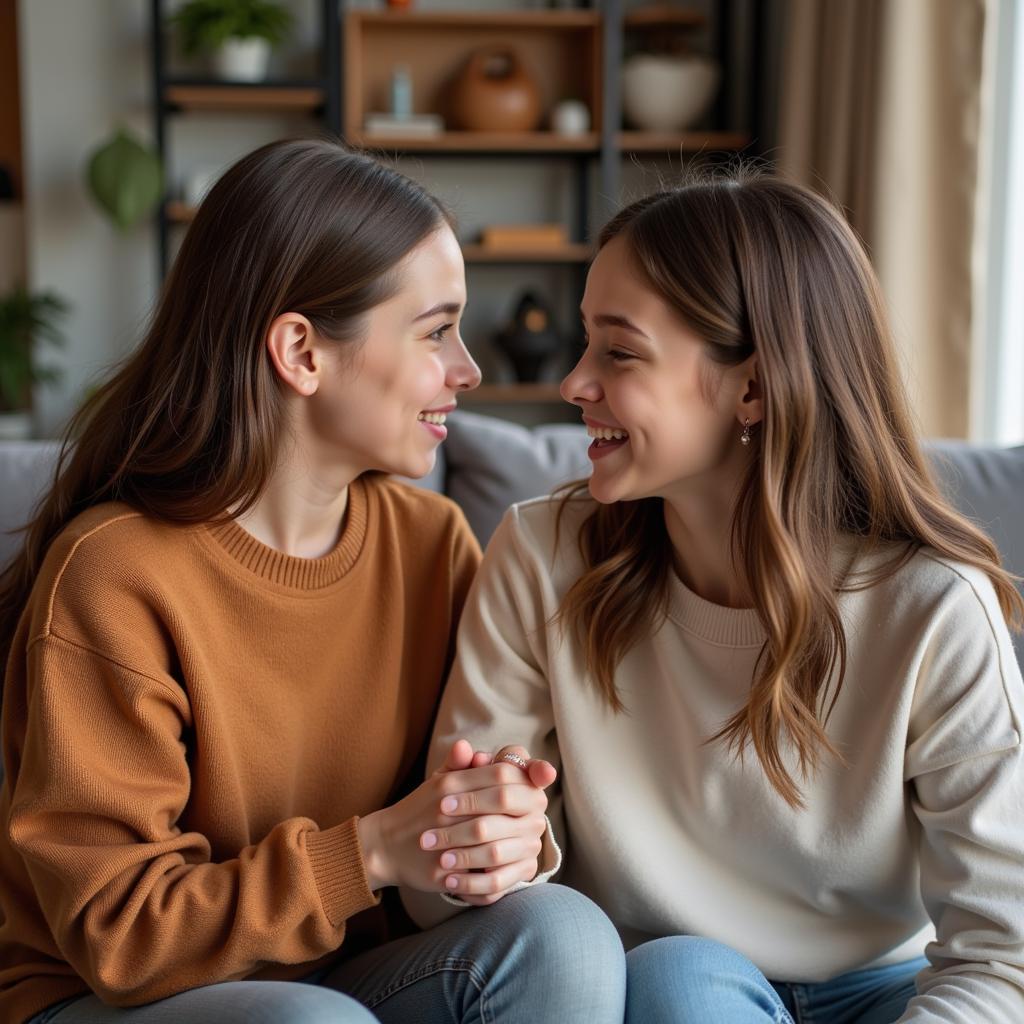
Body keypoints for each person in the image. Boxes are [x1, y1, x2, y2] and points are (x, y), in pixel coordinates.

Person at [0, 139, 626, 1024]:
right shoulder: (115, 575)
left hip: (340, 981)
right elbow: (121, 939)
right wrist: (367, 852)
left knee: (563, 936)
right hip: (103, 999)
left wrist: (491, 830)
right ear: (301, 351)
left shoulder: (433, 543)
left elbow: (431, 862)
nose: (469, 370)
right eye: (436, 330)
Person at [420, 171, 1024, 1022]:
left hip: (891, 997)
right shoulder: (539, 553)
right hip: (664, 991)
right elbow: (445, 896)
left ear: (753, 387)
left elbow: (1005, 960)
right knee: (683, 978)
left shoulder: (934, 610)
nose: (575, 384)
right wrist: (486, 849)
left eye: (619, 352)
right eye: (586, 343)